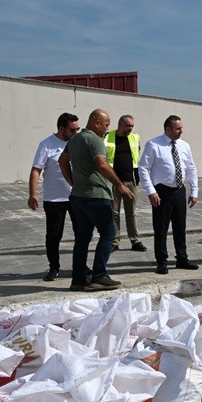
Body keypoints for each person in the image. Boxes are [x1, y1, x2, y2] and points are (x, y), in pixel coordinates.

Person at [58, 109, 134, 291]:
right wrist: (119, 185)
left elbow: (62, 161)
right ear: (96, 122)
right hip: (96, 196)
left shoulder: (75, 139)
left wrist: (73, 182)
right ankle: (99, 275)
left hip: (78, 196)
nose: (108, 128)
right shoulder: (94, 140)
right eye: (106, 124)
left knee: (82, 238)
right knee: (109, 234)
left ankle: (78, 279)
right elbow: (101, 163)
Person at [137, 115, 200, 275]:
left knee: (180, 227)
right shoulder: (154, 145)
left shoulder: (184, 146)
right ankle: (161, 261)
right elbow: (143, 168)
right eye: (178, 128)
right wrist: (151, 191)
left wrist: (194, 191)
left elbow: (191, 168)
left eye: (181, 128)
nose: (181, 131)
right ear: (168, 129)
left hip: (179, 190)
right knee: (161, 228)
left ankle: (182, 258)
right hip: (161, 192)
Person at [28, 112, 81, 281]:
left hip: (77, 197)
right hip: (54, 199)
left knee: (81, 233)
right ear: (61, 128)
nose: (76, 133)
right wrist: (33, 194)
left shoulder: (78, 143)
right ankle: (54, 267)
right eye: (72, 129)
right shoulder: (47, 145)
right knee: (53, 235)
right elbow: (36, 170)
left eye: (78, 129)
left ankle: (80, 266)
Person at [104, 115, 147, 252]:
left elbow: (136, 156)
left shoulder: (135, 137)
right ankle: (115, 242)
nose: (130, 128)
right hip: (114, 181)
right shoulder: (107, 137)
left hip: (130, 181)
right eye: (128, 126)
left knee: (131, 212)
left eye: (132, 126)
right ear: (120, 124)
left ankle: (135, 241)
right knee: (114, 212)